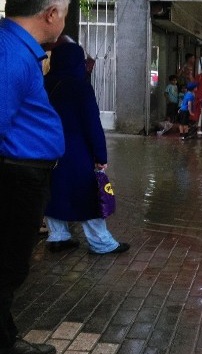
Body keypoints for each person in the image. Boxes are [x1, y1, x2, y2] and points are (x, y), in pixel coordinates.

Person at [0, 0, 69, 353]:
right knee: (7, 267)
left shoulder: (19, 49)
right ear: (51, 14)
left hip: (24, 176)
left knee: (10, 266)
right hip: (16, 179)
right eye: (66, 11)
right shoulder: (9, 52)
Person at [43, 41, 130, 256]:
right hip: (76, 151)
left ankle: (58, 237)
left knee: (54, 191)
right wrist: (100, 154)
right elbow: (92, 123)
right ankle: (102, 243)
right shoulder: (80, 86)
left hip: (47, 148)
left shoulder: (43, 83)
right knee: (89, 194)